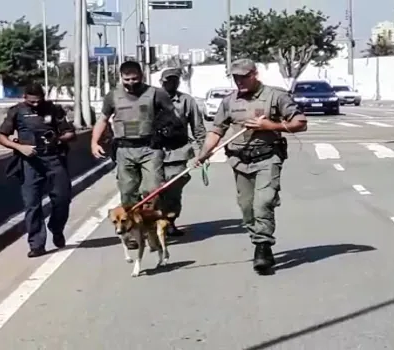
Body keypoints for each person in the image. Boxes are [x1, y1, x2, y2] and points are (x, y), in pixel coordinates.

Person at [194, 58, 308, 274]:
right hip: (239, 160)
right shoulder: (229, 101)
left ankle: (263, 248)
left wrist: (270, 125)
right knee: (247, 208)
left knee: (263, 203)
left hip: (267, 158)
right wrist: (204, 153)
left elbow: (300, 123)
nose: (240, 81)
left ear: (255, 74)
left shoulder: (275, 96)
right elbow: (216, 130)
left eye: (244, 76)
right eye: (236, 77)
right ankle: (258, 238)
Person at [90, 60, 182, 249]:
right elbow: (103, 119)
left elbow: (173, 117)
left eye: (135, 78)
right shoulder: (113, 97)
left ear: (142, 76)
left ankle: (152, 229)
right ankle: (132, 233)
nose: (131, 82)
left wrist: (167, 133)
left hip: (150, 148)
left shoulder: (156, 93)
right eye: (127, 79)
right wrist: (94, 142)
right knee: (128, 193)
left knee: (153, 189)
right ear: (121, 77)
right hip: (124, 149)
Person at [0, 83, 75, 258]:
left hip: (54, 159)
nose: (36, 105)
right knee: (32, 204)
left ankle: (56, 228)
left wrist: (58, 139)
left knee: (62, 199)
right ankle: (37, 244)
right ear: (25, 98)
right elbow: (1, 137)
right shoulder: (16, 111)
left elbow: (71, 133)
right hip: (30, 161)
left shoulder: (54, 109)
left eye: (38, 101)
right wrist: (19, 148)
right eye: (32, 102)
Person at [158, 67, 207, 236]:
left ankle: (169, 222)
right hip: (153, 153)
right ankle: (152, 225)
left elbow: (198, 127)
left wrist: (204, 151)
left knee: (173, 192)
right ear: (161, 82)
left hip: (178, 152)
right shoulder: (150, 99)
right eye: (167, 80)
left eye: (174, 80)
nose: (171, 83)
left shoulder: (187, 101)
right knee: (151, 191)